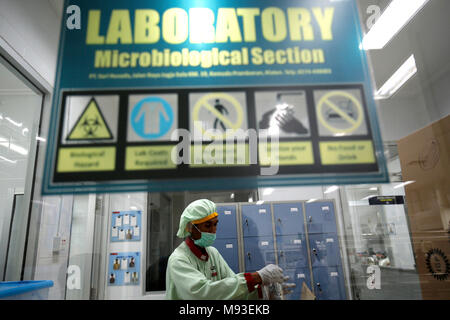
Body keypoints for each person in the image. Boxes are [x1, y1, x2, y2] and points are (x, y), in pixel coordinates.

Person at [165, 199, 292, 300]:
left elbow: (233, 289)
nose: (213, 230)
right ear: (190, 227)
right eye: (208, 225)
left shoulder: (212, 253)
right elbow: (203, 293)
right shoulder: (178, 260)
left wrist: (262, 291)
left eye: (215, 224)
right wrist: (257, 277)